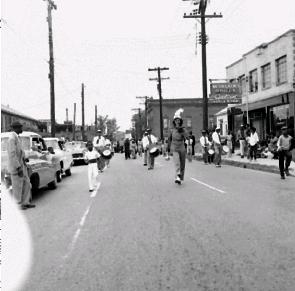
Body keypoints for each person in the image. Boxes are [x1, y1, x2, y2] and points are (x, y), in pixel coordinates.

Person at [7, 121, 35, 210]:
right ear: (16, 128)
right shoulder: (12, 139)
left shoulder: (17, 137)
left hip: (22, 165)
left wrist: (24, 160)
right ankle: (18, 205)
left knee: (27, 183)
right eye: (20, 127)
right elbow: (12, 154)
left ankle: (25, 202)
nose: (21, 129)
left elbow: (20, 152)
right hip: (16, 167)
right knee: (17, 186)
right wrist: (18, 167)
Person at [168, 108, 188, 184]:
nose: (177, 121)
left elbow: (187, 137)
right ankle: (177, 176)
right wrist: (169, 149)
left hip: (182, 147)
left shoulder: (183, 129)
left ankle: (180, 177)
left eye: (178, 120)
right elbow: (169, 139)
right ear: (174, 121)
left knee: (182, 164)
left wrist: (183, 132)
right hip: (174, 147)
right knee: (177, 163)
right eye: (176, 120)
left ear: (180, 121)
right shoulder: (172, 130)